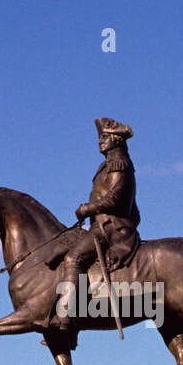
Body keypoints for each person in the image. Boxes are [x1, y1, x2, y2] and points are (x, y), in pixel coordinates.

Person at [53, 117, 140, 330]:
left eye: (104, 138)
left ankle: (65, 314)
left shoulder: (118, 163)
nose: (100, 142)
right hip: (102, 225)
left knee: (73, 258)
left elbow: (115, 199)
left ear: (116, 140)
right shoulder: (106, 165)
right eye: (99, 138)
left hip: (111, 228)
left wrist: (87, 209)